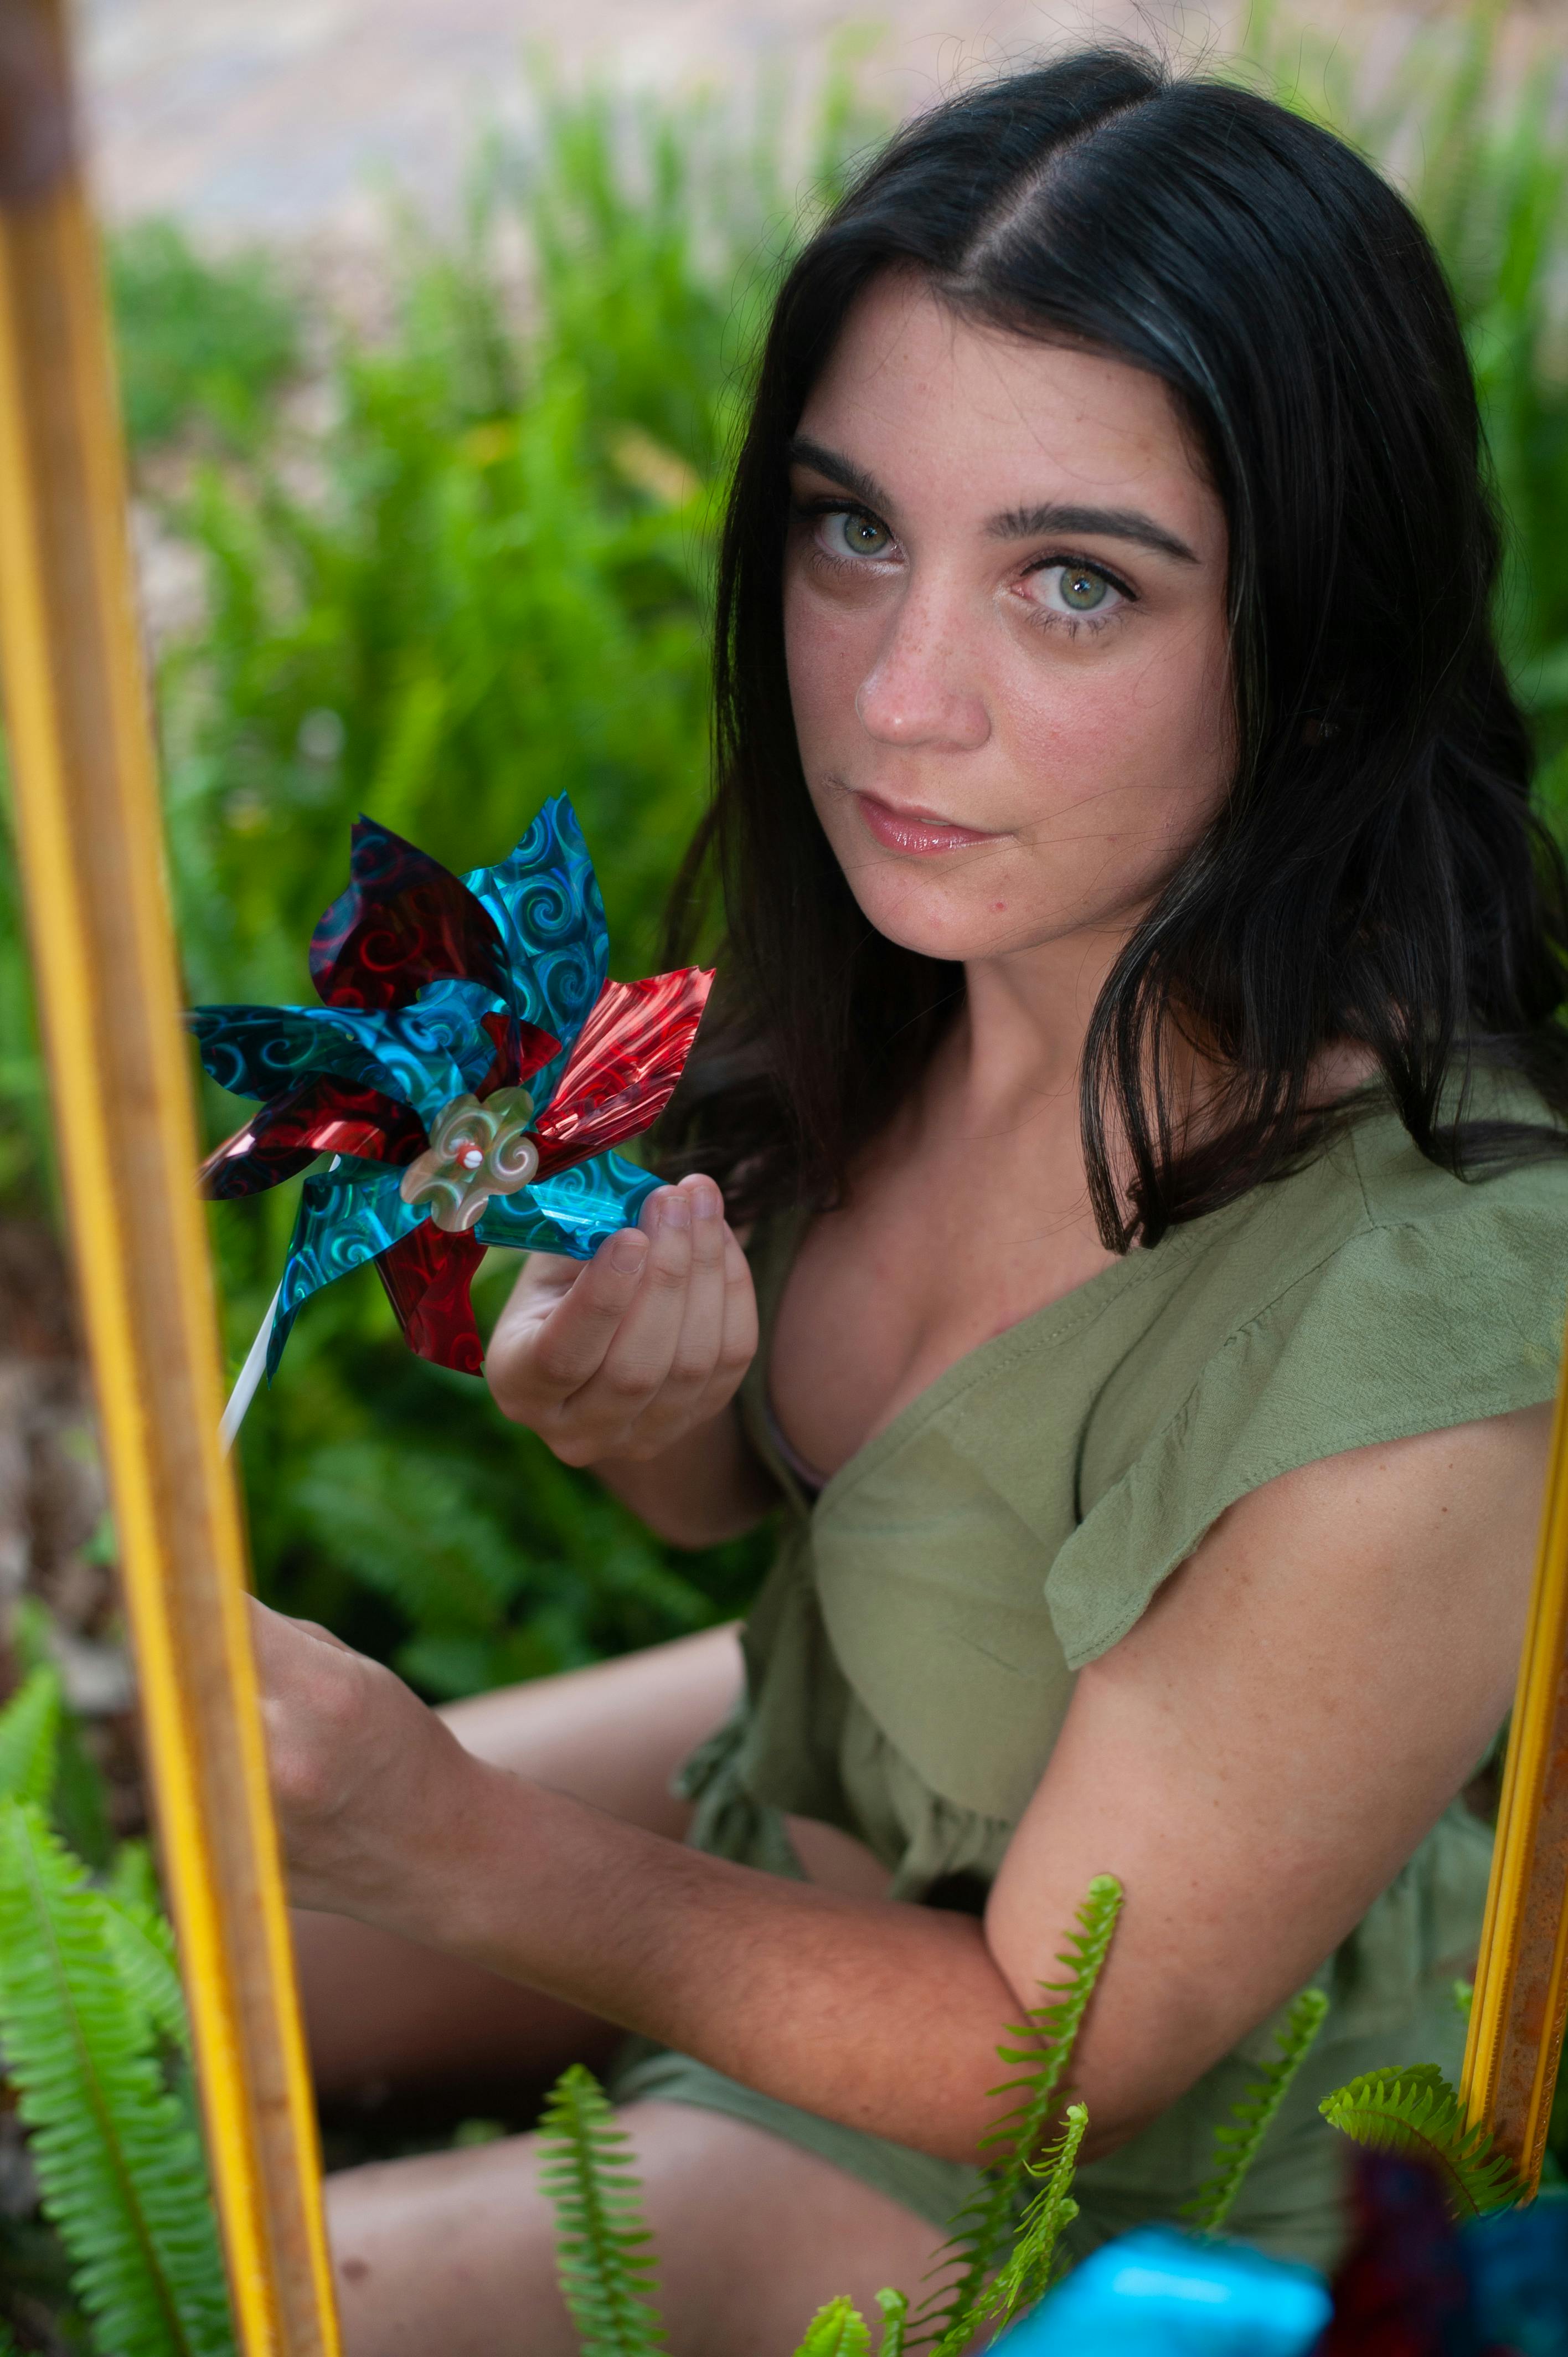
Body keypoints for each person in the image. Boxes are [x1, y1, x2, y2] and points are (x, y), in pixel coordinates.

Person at [253, 47, 1568, 2357]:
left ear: (1321, 638)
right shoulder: (928, 965)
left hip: (1092, 2144)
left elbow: (1046, 2052)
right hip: (804, 1801)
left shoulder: (1414, 1340)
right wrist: (639, 1415)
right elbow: (771, 1509)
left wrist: (446, 1835)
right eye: (854, 526)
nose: (896, 692)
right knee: (107, 1918)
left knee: (299, 2294)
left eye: (1074, 583)